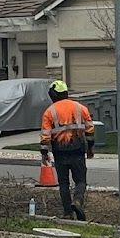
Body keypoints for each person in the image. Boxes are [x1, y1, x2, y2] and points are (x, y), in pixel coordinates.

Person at [39, 79, 95, 220]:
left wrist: (44, 153)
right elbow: (89, 129)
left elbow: (45, 135)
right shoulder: (80, 108)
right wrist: (90, 148)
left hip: (60, 152)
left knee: (63, 183)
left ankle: (68, 213)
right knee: (81, 181)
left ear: (53, 95)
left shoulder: (49, 112)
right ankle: (77, 201)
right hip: (77, 149)